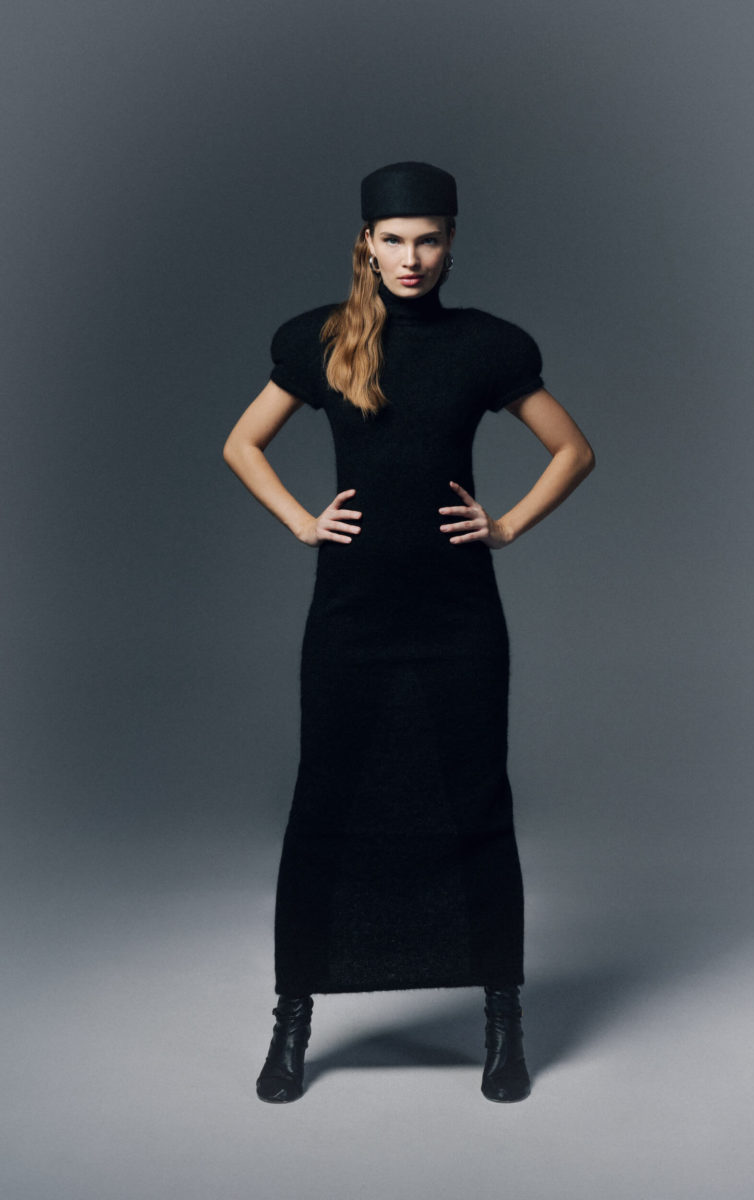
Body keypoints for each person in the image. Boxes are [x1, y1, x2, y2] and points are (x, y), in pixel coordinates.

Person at [222, 160, 595, 1105]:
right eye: (393, 239)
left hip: (459, 614)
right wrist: (301, 520)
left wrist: (506, 524)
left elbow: (573, 450)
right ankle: (293, 1018)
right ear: (367, 243)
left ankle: (503, 1016)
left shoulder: (488, 345)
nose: (411, 257)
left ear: (452, 241)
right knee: (325, 805)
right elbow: (241, 443)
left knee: (476, 801)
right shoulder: (320, 340)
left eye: (428, 239)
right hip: (349, 613)